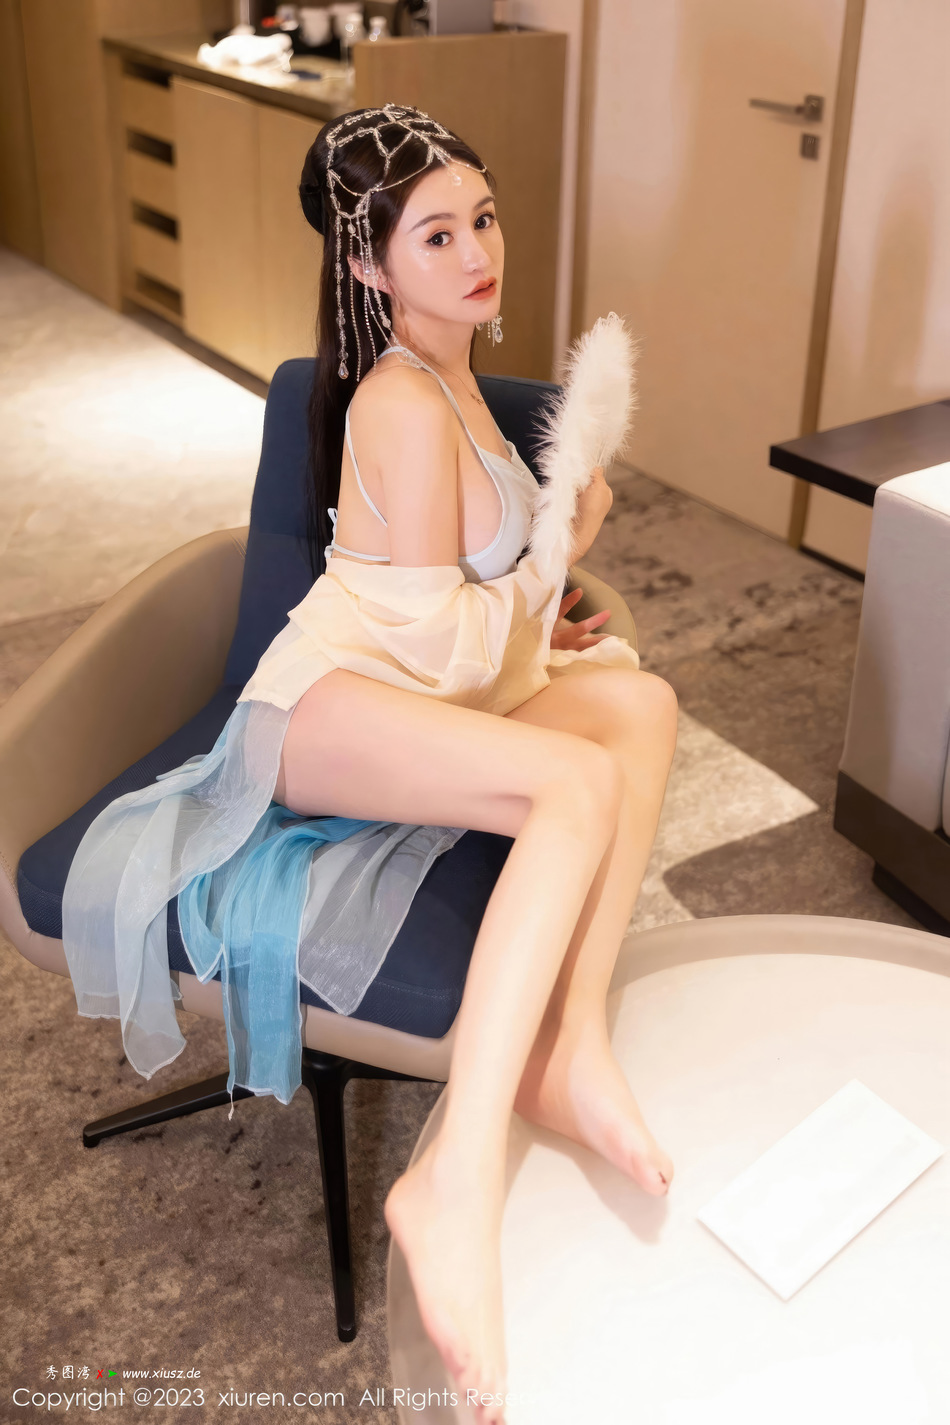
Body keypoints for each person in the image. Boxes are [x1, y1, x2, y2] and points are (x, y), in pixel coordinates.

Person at [63, 104, 678, 1425]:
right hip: (322, 708)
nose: (476, 253)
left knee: (642, 708)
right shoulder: (400, 401)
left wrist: (551, 602)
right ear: (367, 264)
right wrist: (561, 549)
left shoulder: (460, 387)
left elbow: (474, 614)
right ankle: (452, 1178)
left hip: (410, 685)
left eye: (483, 220)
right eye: (435, 235)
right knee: (576, 779)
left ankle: (566, 1046)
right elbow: (446, 651)